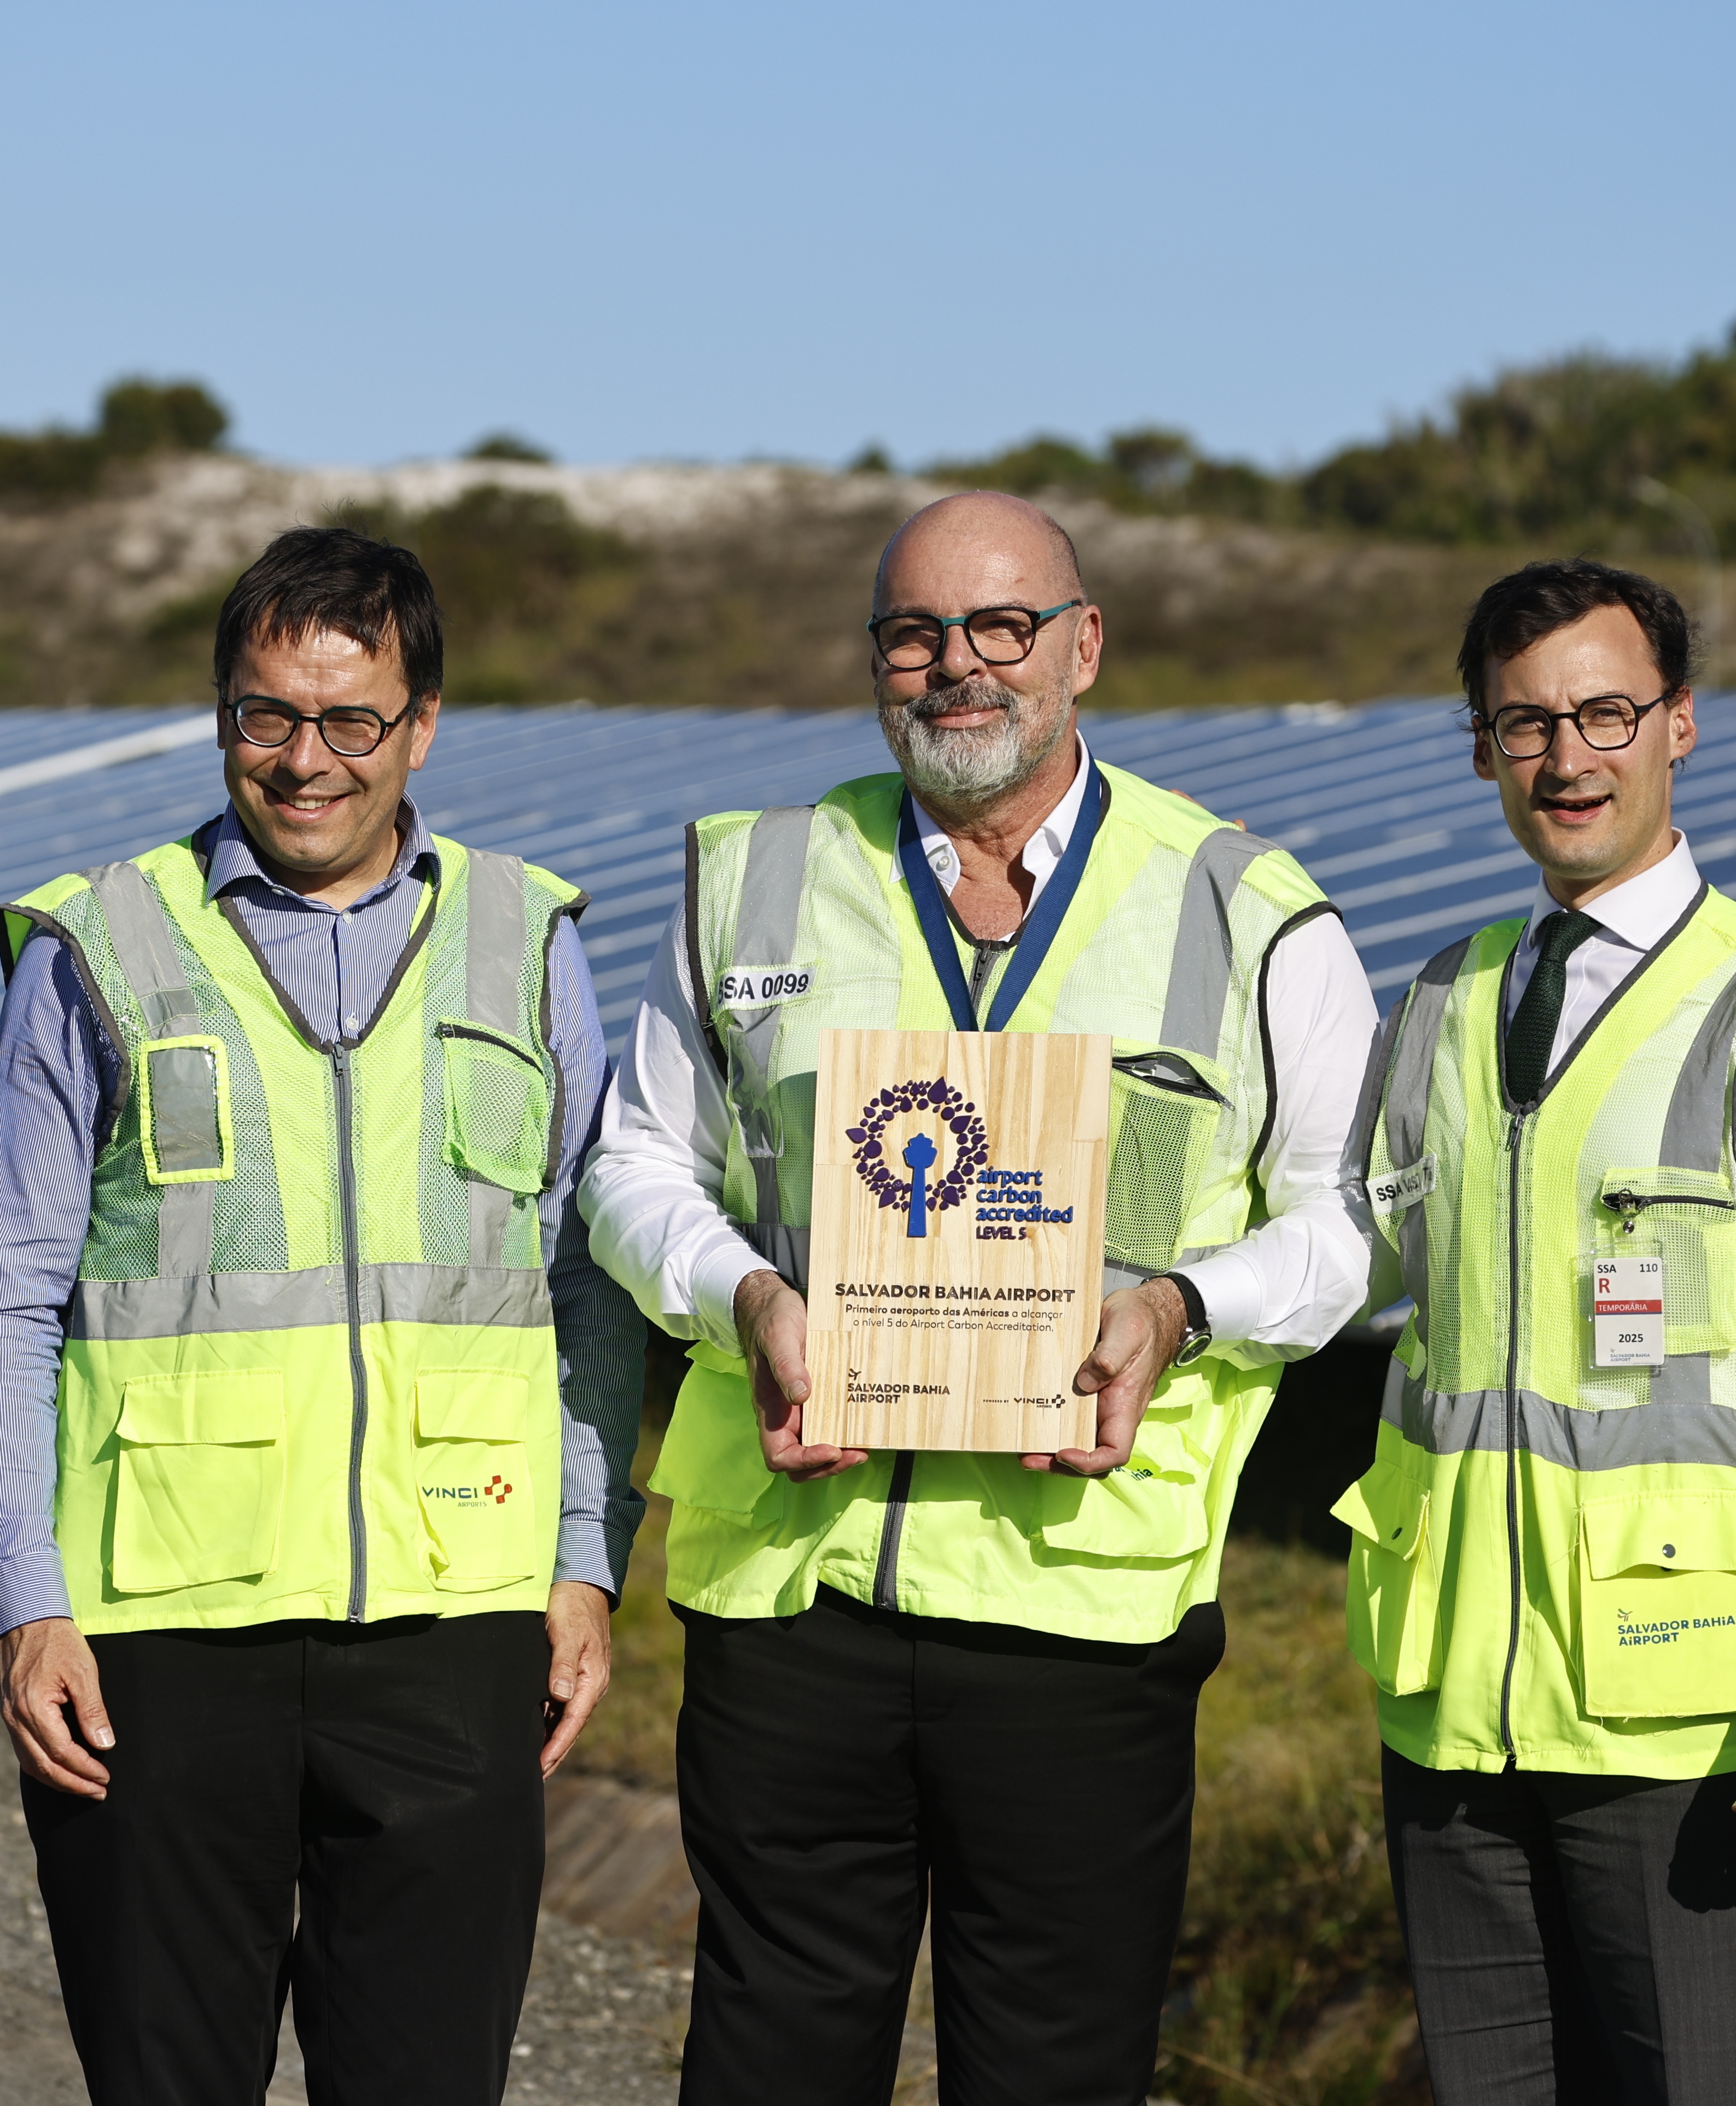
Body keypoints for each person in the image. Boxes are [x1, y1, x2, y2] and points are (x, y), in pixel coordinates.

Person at [579, 490, 1375, 2106]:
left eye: (1002, 627)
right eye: (914, 633)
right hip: (794, 1603)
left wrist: (1179, 1313)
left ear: (1082, 645)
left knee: (1055, 2072)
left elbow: (1353, 1221)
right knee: (769, 2059)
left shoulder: (1246, 905)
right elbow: (629, 1166)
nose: (959, 667)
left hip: (1079, 1606)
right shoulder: (754, 881)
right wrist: (740, 1295)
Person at [0, 526, 645, 2106]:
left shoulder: (529, 940)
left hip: (455, 1621)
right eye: (265, 717)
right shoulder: (99, 946)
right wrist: (24, 1597)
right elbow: (2, 1302)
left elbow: (590, 1282)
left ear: (424, 726)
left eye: (350, 722)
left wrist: (586, 1556)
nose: (305, 762)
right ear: (220, 717)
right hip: (156, 1640)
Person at [1334, 558, 1736, 2103]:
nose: (1568, 758)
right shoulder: (1442, 996)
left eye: (1607, 713)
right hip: (1462, 1719)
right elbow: (1337, 1259)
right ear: (1480, 745)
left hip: (1703, 1725)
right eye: (1525, 722)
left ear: (1681, 725)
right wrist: (1151, 1294)